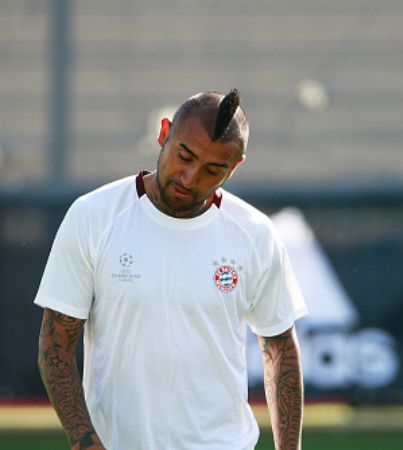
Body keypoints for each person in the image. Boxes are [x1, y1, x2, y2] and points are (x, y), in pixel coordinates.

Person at [35, 89, 309, 450]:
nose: (190, 178)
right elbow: (56, 345)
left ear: (235, 166)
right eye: (185, 156)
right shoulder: (93, 217)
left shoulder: (255, 234)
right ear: (164, 133)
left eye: (213, 169)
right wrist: (84, 440)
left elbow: (280, 348)